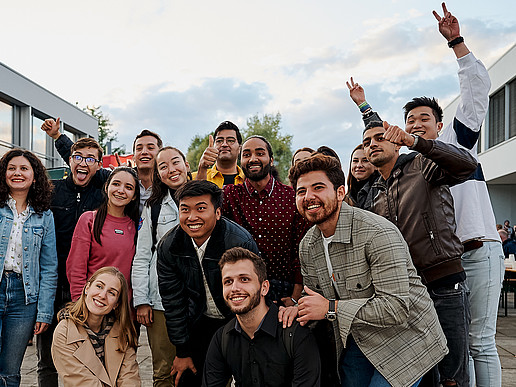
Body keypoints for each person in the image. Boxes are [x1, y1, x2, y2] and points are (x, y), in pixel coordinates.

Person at [349, 5, 505, 385]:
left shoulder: (454, 141)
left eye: (424, 119)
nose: (415, 125)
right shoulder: (404, 169)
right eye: (409, 121)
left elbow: (476, 92)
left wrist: (456, 42)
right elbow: (378, 138)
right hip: (434, 268)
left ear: (440, 123)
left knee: (479, 343)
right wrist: (364, 105)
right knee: (448, 353)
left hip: (477, 251)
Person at [282, 154, 447, 387]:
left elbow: (397, 308)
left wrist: (331, 308)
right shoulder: (308, 245)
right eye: (301, 191)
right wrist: (298, 309)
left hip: (406, 338)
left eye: (318, 187)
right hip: (360, 337)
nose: (309, 197)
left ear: (340, 192)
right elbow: (316, 299)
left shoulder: (376, 232)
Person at [361, 120, 477, 386]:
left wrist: (414, 141)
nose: (372, 144)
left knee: (451, 377)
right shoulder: (375, 193)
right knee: (422, 375)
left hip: (445, 287)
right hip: (408, 294)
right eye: (367, 142)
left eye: (380, 137)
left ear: (396, 141)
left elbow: (468, 165)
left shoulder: (421, 166)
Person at [157, 180, 259, 387]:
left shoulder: (239, 242)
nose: (192, 217)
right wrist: (182, 351)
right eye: (185, 210)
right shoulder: (169, 246)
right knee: (188, 378)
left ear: (218, 212)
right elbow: (173, 302)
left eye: (201, 209)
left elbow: (255, 295)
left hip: (239, 320)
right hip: (199, 321)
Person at [36, 136, 106, 387]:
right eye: (78, 157)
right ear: (69, 160)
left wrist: (59, 138)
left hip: (88, 287)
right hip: (51, 285)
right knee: (48, 359)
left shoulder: (103, 194)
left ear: (98, 165)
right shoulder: (51, 191)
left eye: (90, 159)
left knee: (90, 356)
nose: (83, 163)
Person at [202, 247, 321, 387]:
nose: (234, 288)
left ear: (264, 288)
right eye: (228, 281)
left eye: (244, 279)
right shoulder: (222, 338)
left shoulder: (296, 335)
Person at [222, 135, 310, 305]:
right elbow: (200, 202)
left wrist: (295, 296)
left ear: (271, 160)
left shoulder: (291, 196)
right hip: (242, 289)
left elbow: (301, 250)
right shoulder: (229, 196)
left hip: (285, 290)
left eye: (259, 153)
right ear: (240, 161)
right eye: (246, 154)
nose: (253, 159)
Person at [132, 146, 191, 386]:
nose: (171, 170)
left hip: (198, 299)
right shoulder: (153, 207)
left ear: (187, 165)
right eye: (163, 166)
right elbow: (142, 255)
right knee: (164, 372)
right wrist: (142, 300)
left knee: (202, 368)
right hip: (160, 302)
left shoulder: (207, 198)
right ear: (158, 174)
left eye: (175, 162)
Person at [0, 149, 58, 387]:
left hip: (24, 299)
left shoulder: (44, 216)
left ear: (35, 177)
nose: (17, 173)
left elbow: (49, 267)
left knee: (10, 371)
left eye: (24, 169)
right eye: (12, 168)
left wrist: (44, 311)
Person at [41, 118, 162, 214]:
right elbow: (83, 160)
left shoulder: (167, 184)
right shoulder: (110, 179)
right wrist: (57, 136)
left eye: (151, 148)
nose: (144, 152)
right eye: (139, 148)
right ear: (133, 155)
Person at [51, 267, 140, 386]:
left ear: (116, 304)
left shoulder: (122, 331)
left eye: (111, 293)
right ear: (87, 288)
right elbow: (81, 382)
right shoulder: (65, 332)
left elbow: (129, 378)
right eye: (99, 286)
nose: (103, 295)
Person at [66, 167, 140, 302]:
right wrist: (79, 302)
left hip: (123, 310)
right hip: (92, 304)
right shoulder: (89, 219)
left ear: (134, 195)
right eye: (116, 184)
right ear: (106, 187)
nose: (121, 190)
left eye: (128, 187)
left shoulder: (135, 226)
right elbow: (76, 268)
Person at [193, 121, 245, 188]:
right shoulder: (193, 178)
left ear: (240, 148)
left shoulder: (249, 180)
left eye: (230, 140)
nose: (224, 144)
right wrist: (202, 169)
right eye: (219, 141)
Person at [344, 144, 378, 209]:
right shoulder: (347, 196)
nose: (359, 165)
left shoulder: (381, 191)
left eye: (365, 161)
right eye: (355, 161)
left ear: (375, 165)